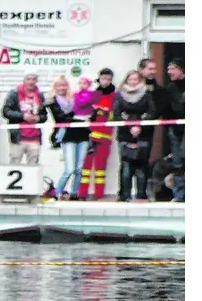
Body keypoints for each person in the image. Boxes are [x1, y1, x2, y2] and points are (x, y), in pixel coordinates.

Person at [113, 70, 156, 202]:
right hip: (125, 134)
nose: (133, 82)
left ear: (140, 80)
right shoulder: (120, 95)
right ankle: (124, 195)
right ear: (126, 81)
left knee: (141, 166)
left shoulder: (147, 94)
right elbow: (116, 113)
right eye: (130, 79)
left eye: (136, 79)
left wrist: (140, 125)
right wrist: (129, 126)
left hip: (143, 134)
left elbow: (152, 111)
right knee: (126, 165)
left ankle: (141, 195)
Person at [46, 76, 88, 200]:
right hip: (66, 135)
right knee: (69, 169)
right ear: (55, 87)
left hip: (82, 134)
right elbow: (61, 118)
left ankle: (74, 193)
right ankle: (57, 192)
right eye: (59, 85)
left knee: (79, 169)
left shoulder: (75, 98)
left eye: (64, 85)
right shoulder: (52, 101)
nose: (62, 88)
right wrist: (78, 118)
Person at [79, 68, 117, 200]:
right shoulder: (93, 94)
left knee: (101, 166)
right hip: (90, 134)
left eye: (108, 79)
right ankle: (82, 193)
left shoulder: (114, 95)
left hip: (105, 135)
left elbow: (115, 115)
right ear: (99, 79)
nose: (105, 81)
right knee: (86, 166)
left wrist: (105, 111)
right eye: (103, 78)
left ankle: (99, 194)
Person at [1, 73, 47, 165]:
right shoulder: (14, 93)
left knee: (34, 167)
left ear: (36, 81)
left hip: (35, 137)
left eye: (33, 79)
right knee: (14, 164)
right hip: (18, 137)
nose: (31, 82)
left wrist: (38, 118)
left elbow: (44, 116)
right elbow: (6, 112)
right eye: (28, 79)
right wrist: (22, 116)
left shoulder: (40, 95)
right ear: (24, 80)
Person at [161, 59, 185, 172]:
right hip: (175, 130)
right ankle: (178, 190)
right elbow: (166, 108)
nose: (169, 71)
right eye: (168, 69)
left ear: (182, 70)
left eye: (172, 68)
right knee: (177, 163)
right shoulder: (169, 88)